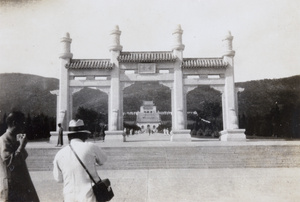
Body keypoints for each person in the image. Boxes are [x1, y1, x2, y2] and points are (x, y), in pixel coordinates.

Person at [53, 119, 107, 202]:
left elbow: (58, 179)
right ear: (84, 135)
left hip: (69, 197)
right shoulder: (91, 147)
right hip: (89, 197)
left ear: (69, 136)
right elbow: (103, 160)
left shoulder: (59, 154)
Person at [0, 111, 40, 202]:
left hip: (20, 188)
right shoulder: (3, 140)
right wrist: (21, 146)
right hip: (12, 189)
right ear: (15, 123)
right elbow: (9, 163)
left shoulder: (14, 138)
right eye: (23, 122)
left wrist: (20, 145)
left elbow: (23, 157)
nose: (24, 126)